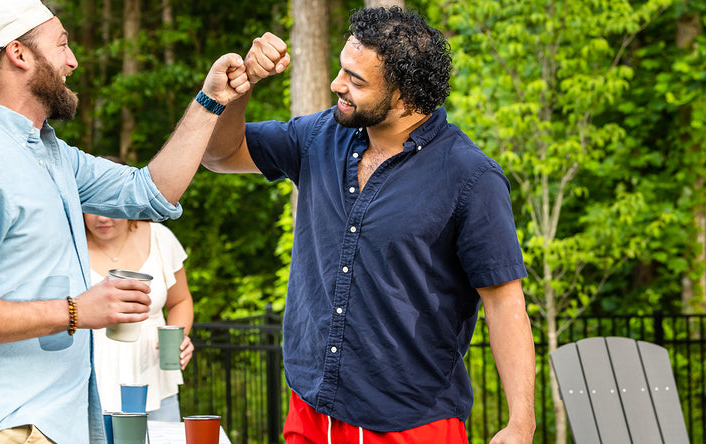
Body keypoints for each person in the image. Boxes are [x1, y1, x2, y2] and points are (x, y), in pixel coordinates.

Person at [0, 0, 249, 442]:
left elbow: (150, 191)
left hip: (54, 425)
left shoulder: (52, 154)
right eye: (62, 45)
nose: (73, 61)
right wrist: (76, 311)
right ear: (20, 54)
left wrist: (211, 101)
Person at [202, 7, 536, 444]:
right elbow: (219, 155)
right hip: (310, 407)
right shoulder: (319, 135)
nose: (336, 85)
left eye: (355, 80)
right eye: (342, 70)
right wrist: (238, 90)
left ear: (405, 94)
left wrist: (521, 422)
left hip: (411, 422)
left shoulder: (470, 177)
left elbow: (504, 302)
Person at [84, 156, 195, 422]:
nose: (102, 217)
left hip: (155, 382)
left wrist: (179, 337)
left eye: (112, 205)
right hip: (89, 388)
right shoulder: (69, 244)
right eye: (93, 206)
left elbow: (180, 301)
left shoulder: (160, 238)